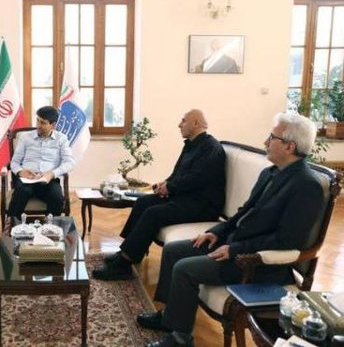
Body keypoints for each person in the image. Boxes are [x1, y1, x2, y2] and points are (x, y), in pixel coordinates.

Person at [136, 112, 326, 347]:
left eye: (271, 137)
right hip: (235, 244)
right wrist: (217, 232)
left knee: (185, 269)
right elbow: (244, 212)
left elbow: (287, 240)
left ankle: (180, 339)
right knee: (174, 250)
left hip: (256, 264)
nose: (265, 142)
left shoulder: (307, 186)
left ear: (290, 146)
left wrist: (235, 249)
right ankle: (170, 318)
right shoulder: (270, 172)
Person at [92, 109, 225, 281]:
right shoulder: (191, 145)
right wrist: (165, 183)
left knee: (153, 214)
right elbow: (179, 173)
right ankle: (125, 253)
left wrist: (171, 187)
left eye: (183, 121)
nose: (179, 125)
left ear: (196, 123)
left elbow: (197, 179)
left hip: (202, 206)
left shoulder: (211, 148)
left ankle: (123, 266)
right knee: (143, 202)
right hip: (186, 197)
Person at [5, 106, 75, 224]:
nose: (38, 125)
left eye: (43, 123)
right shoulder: (26, 138)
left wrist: (52, 174)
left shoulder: (61, 139)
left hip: (48, 181)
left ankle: (49, 228)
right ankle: (14, 227)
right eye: (37, 120)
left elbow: (70, 162)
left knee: (57, 198)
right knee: (21, 192)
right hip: (27, 179)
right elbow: (14, 162)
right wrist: (21, 172)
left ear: (53, 125)